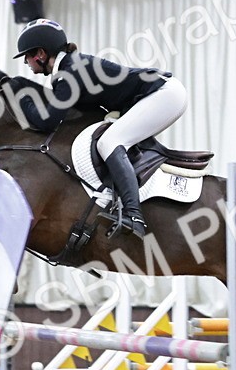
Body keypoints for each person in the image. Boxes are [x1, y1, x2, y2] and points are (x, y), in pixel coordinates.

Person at [10, 18, 187, 238]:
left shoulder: (70, 72)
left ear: (40, 53)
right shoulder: (69, 68)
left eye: (27, 56)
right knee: (110, 137)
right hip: (161, 93)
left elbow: (47, 121)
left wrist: (19, 96)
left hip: (165, 94)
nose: (26, 62)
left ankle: (135, 216)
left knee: (110, 141)